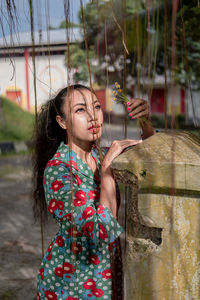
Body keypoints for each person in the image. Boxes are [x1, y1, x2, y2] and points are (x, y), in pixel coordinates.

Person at [32, 84, 155, 300]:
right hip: (71, 281)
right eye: (80, 110)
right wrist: (107, 170)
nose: (93, 116)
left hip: (107, 272)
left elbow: (153, 152)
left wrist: (144, 121)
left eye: (96, 107)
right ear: (62, 122)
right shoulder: (59, 170)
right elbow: (101, 232)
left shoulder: (102, 155)